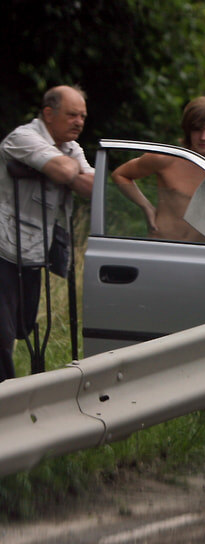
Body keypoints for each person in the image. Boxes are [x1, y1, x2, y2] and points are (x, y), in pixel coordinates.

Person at [0, 85, 94, 382]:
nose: (79, 122)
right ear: (49, 114)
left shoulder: (70, 146)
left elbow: (93, 188)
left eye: (83, 115)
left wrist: (62, 168)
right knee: (1, 332)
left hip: (32, 251)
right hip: (2, 247)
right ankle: (7, 402)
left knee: (23, 326)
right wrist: (65, 171)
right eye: (72, 115)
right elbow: (68, 174)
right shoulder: (23, 138)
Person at [111, 96, 205, 242]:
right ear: (188, 130)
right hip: (162, 245)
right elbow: (120, 174)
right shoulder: (167, 159)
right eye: (196, 129)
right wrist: (146, 207)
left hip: (203, 252)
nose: (203, 137)